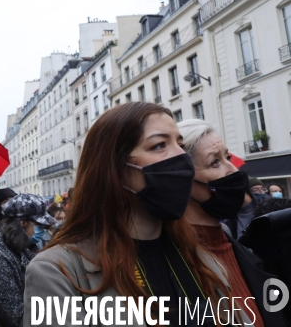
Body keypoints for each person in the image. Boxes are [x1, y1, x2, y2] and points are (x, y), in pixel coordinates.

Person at [23, 102, 253, 326]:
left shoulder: (201, 258)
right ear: (115, 169)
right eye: (159, 145)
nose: (181, 157)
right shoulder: (57, 272)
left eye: (180, 144)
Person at [178, 118, 286, 326]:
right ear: (183, 180)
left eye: (227, 157)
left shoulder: (232, 242)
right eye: (215, 162)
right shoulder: (177, 260)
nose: (233, 170)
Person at [0, 194, 55, 327]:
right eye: (39, 225)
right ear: (23, 223)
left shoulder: (18, 245)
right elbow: (14, 314)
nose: (42, 230)